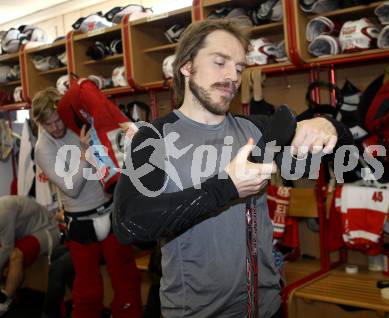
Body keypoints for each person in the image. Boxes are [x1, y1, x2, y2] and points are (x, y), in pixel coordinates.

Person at [113, 20, 352, 317]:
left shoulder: (255, 129)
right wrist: (226, 186)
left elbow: (348, 152)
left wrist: (326, 125)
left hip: (268, 308)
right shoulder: (154, 139)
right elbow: (128, 224)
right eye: (219, 62)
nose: (231, 77)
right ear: (186, 66)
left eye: (239, 68)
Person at [32, 88, 142, 318]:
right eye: (49, 124)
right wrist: (85, 154)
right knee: (88, 291)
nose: (57, 127)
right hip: (80, 221)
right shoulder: (43, 148)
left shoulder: (78, 123)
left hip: (109, 210)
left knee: (126, 280)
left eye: (58, 120)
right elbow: (71, 188)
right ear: (40, 123)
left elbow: (114, 156)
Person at [0, 195, 61, 316]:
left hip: (48, 229)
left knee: (15, 255)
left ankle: (4, 304)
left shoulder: (3, 212)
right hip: (28, 232)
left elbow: (7, 248)